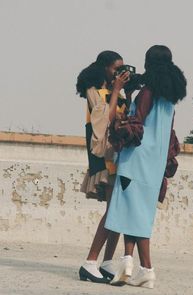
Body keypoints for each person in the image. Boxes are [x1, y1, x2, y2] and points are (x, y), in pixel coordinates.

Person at [104, 45, 187, 288]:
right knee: (139, 213)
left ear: (149, 64)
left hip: (136, 159)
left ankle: (143, 267)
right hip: (156, 162)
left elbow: (135, 124)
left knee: (132, 210)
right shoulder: (169, 99)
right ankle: (131, 263)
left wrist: (118, 124)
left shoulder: (147, 93)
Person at [76, 51, 130, 283]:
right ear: (105, 68)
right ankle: (90, 262)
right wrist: (117, 90)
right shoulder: (94, 91)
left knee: (117, 211)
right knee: (113, 211)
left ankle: (107, 262)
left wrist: (127, 93)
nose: (119, 73)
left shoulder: (117, 92)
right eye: (116, 69)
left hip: (119, 157)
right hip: (105, 158)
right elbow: (103, 121)